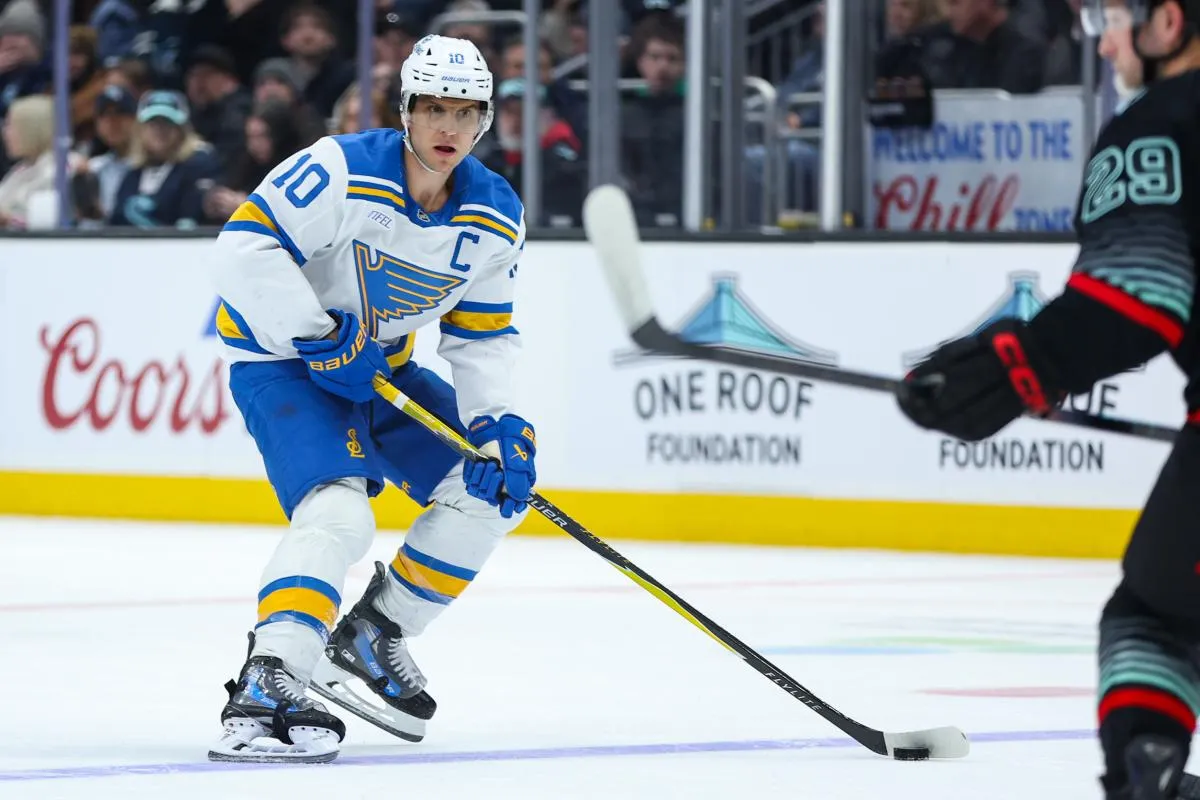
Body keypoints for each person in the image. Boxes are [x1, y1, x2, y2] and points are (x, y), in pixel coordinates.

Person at [895, 2, 1200, 797]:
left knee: (1154, 622)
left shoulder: (1160, 124)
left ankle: (1151, 775)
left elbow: (1136, 300)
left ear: (1169, 23)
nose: (1104, 38)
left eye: (1116, 16)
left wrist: (1012, 371)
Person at [206, 34, 535, 764]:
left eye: (467, 112)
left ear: (485, 120)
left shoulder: (495, 214)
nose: (449, 127)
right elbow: (240, 249)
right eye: (434, 108)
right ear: (406, 110)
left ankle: (374, 633)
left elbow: (482, 338)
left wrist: (499, 424)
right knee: (339, 508)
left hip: (379, 370)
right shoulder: (339, 168)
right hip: (283, 360)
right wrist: (316, 333)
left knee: (493, 488)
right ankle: (271, 674)